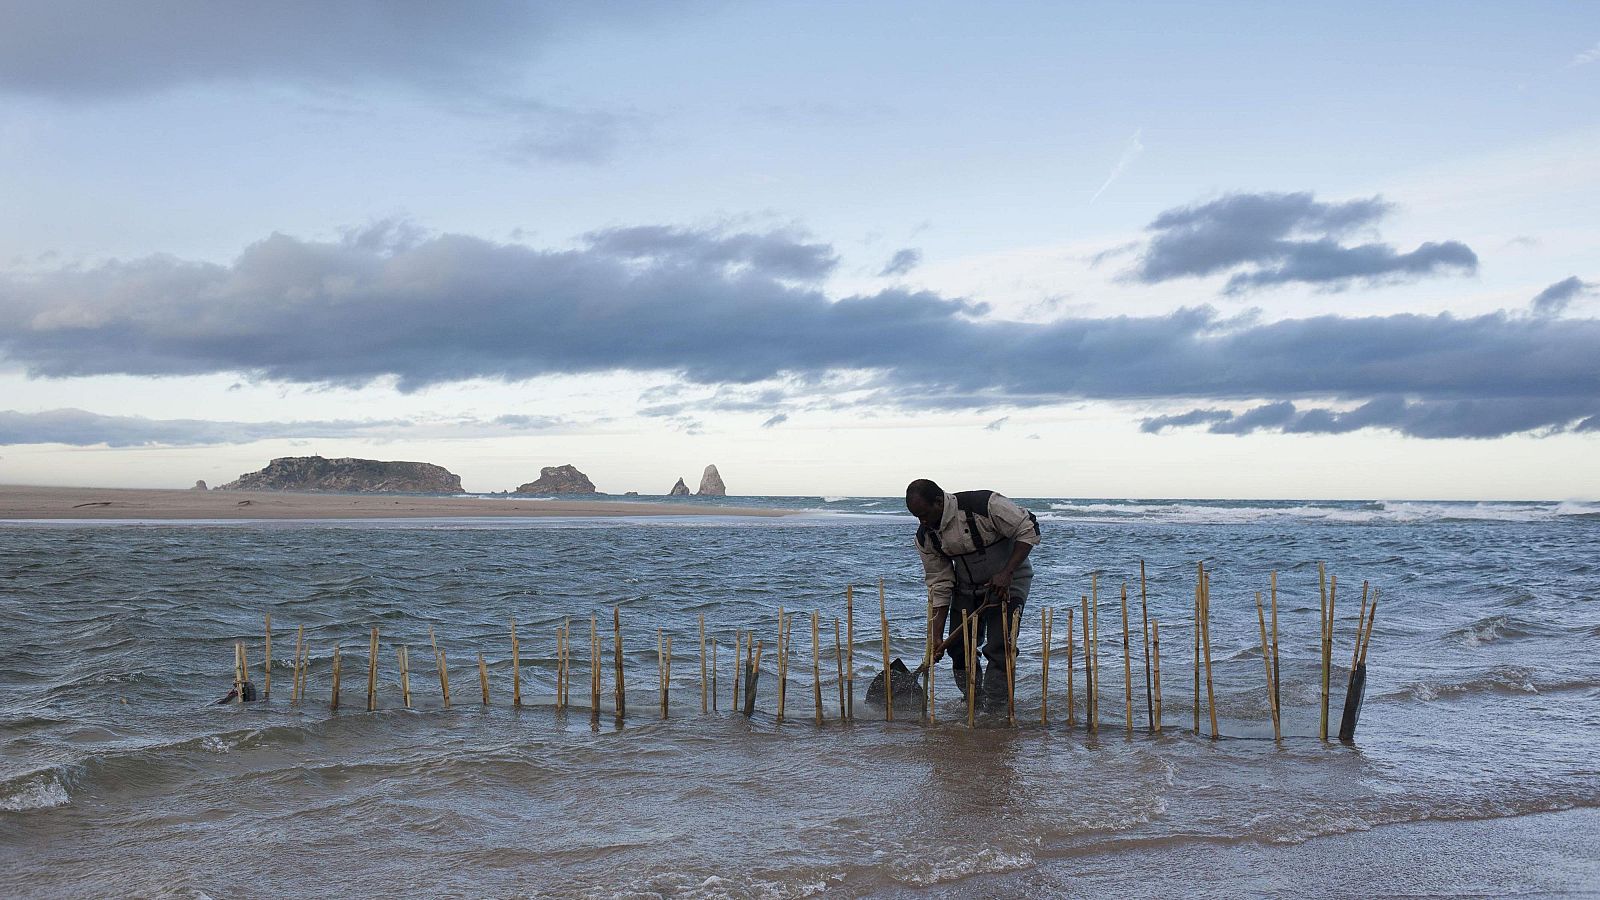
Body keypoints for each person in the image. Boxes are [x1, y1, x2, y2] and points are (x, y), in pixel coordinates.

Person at [907, 478, 1040, 688]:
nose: (922, 521)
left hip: (1009, 582)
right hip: (967, 588)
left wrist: (1006, 573)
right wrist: (936, 636)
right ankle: (972, 702)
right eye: (916, 517)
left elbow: (1028, 528)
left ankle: (996, 708)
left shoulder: (985, 505)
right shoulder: (926, 538)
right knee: (959, 648)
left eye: (924, 514)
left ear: (939, 502)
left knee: (999, 646)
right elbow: (940, 583)